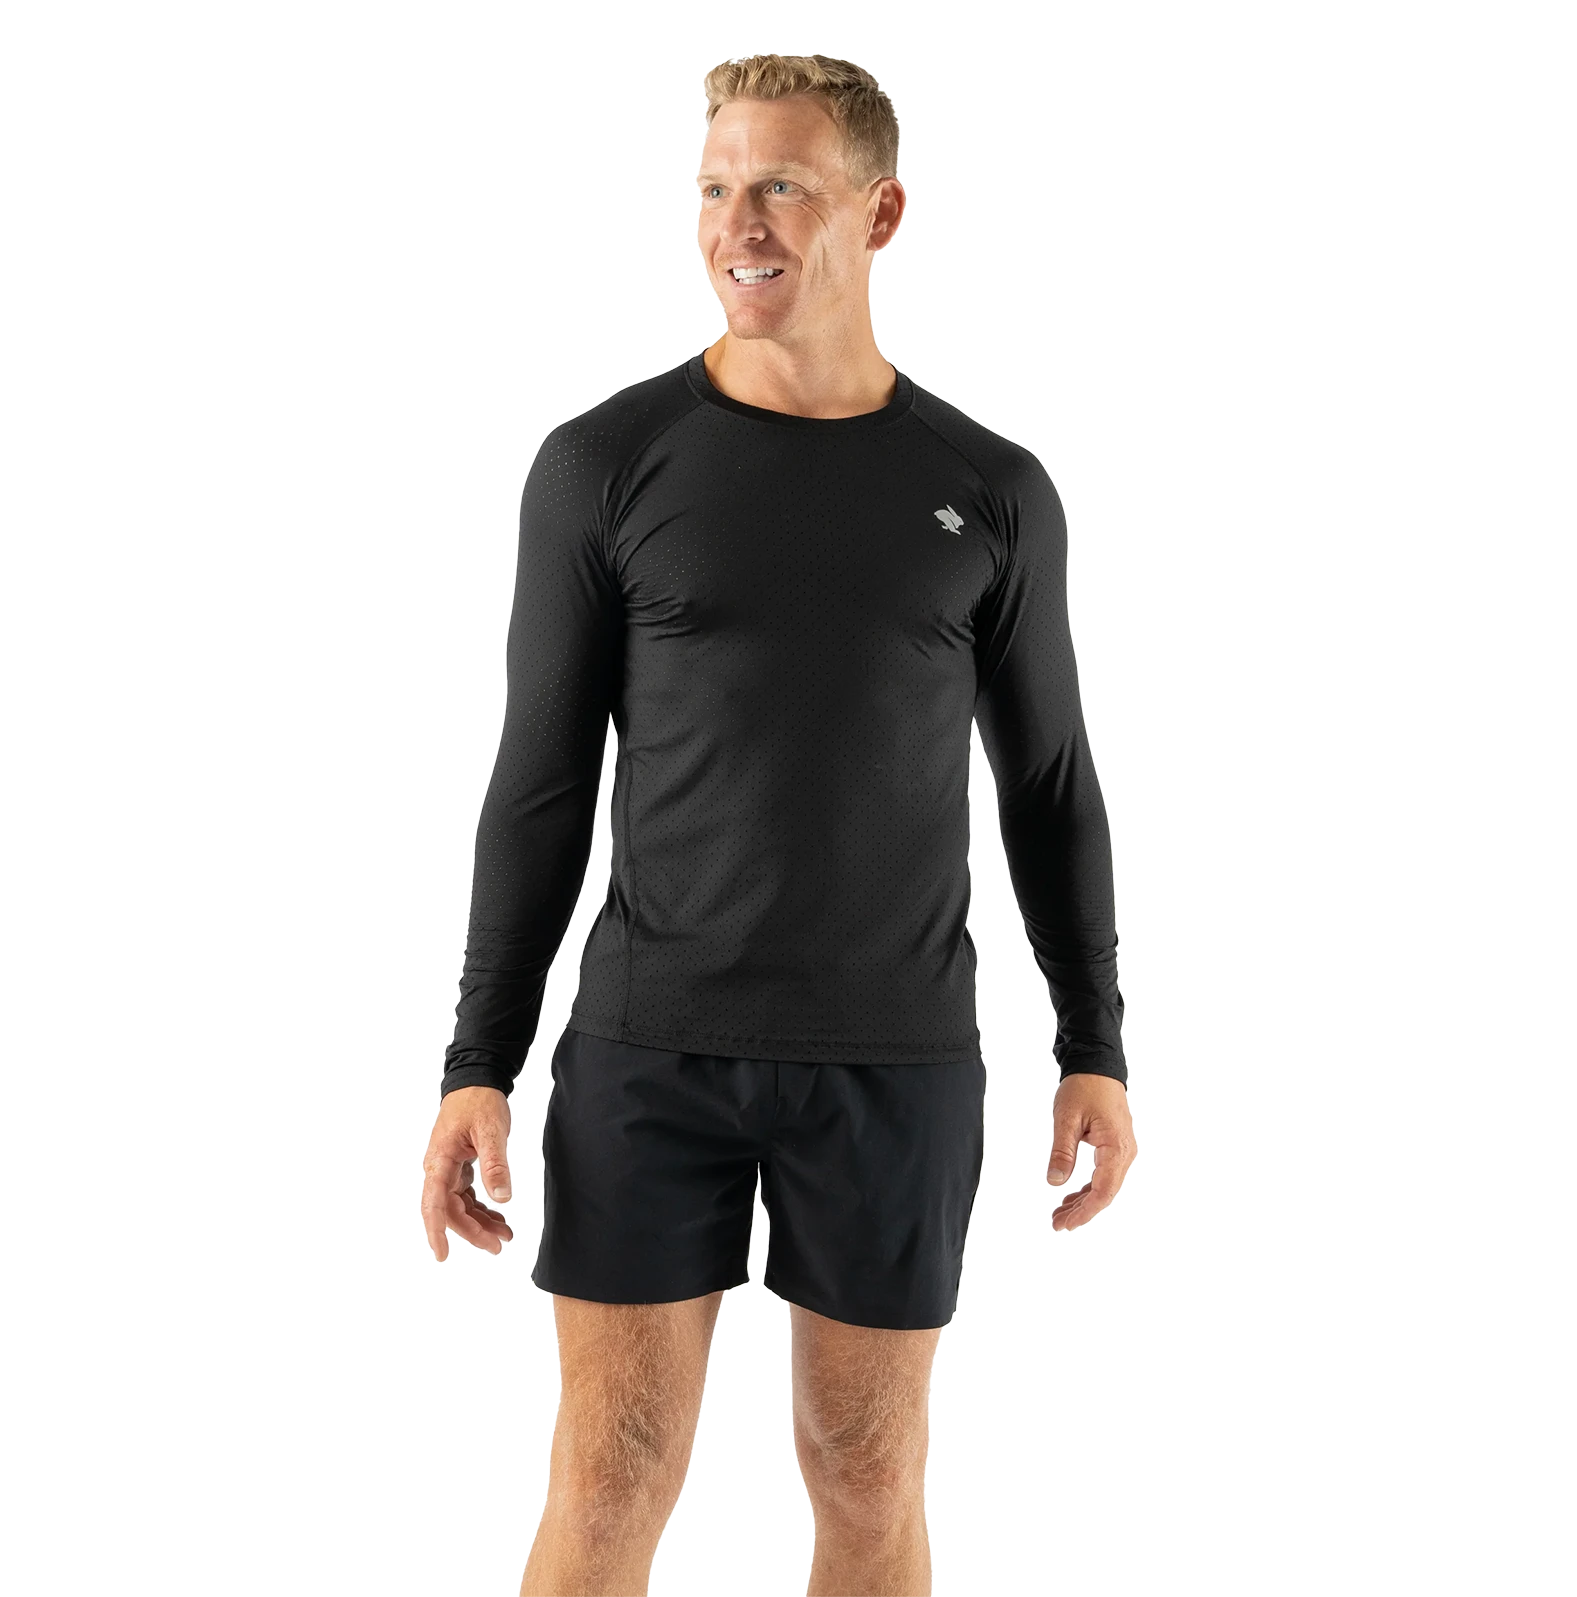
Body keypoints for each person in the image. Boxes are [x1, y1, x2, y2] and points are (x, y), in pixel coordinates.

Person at [420, 51, 1137, 1597]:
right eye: (714, 188)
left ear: (880, 215)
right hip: (650, 1046)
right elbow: (538, 780)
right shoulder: (603, 465)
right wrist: (479, 1059)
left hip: (894, 1052)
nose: (737, 225)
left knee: (869, 1475)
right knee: (611, 1473)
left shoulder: (990, 486)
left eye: (782, 189)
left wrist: (1097, 1044)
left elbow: (1050, 784)